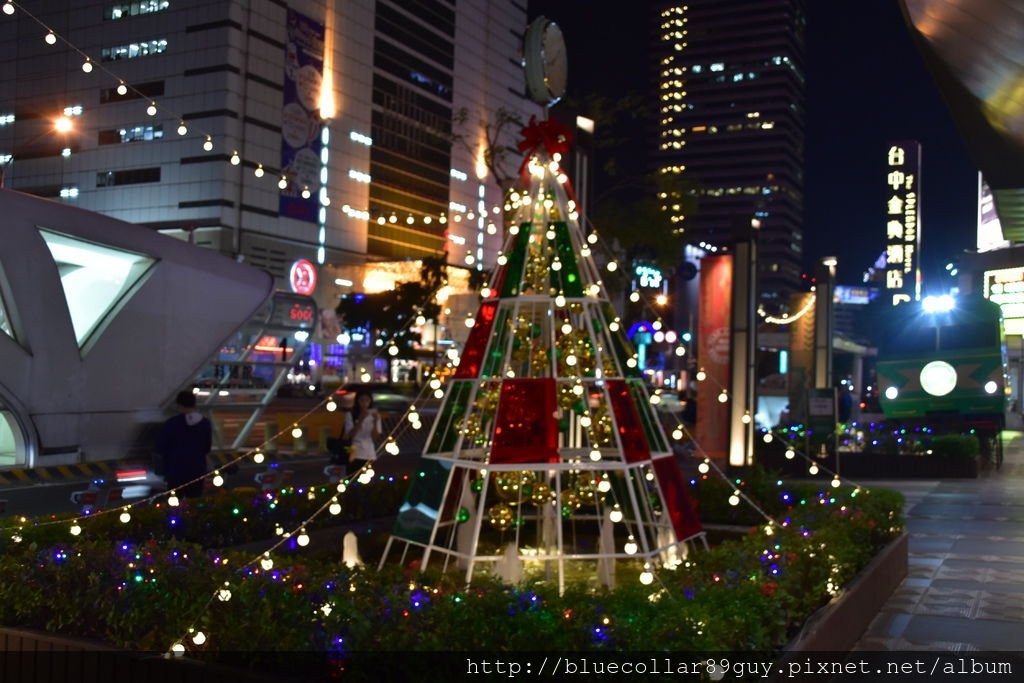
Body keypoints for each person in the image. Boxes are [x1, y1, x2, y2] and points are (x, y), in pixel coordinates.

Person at [155, 390, 212, 498]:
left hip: (175, 472)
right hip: (197, 471)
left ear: (179, 405)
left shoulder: (171, 424)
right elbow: (207, 448)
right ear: (194, 404)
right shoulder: (205, 423)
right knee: (194, 504)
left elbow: (160, 448)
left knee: (174, 506)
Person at [343, 389, 382, 473]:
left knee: (366, 480)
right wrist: (360, 420)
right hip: (354, 453)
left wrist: (375, 422)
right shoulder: (351, 415)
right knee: (352, 478)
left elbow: (374, 437)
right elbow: (350, 435)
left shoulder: (375, 415)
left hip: (369, 453)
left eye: (367, 400)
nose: (364, 403)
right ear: (357, 401)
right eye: (361, 400)